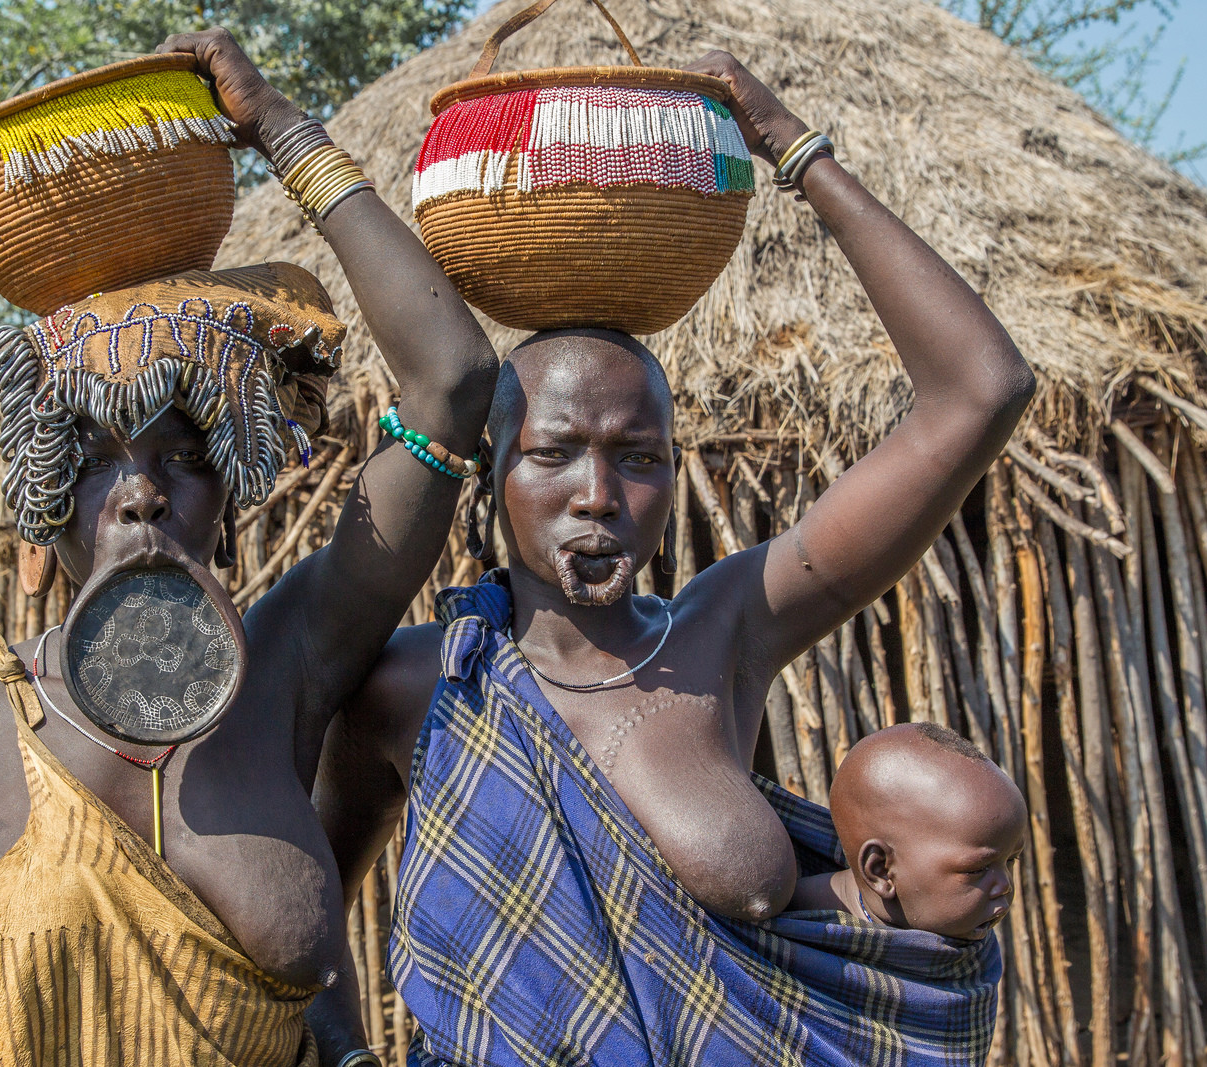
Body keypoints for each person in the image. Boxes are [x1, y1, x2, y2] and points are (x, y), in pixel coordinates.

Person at [312, 50, 1034, 1065]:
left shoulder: (727, 628)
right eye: (553, 452)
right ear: (493, 468)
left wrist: (791, 145)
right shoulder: (412, 683)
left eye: (638, 457)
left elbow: (981, 390)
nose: (598, 494)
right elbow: (311, 901)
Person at [0, 28, 495, 1067]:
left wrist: (280, 129)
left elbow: (455, 380)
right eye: (94, 457)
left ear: (235, 486)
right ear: (39, 497)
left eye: (185, 453)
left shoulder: (290, 667)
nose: (142, 492)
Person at [789, 722, 1028, 941]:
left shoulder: (964, 935)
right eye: (977, 869)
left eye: (1010, 860)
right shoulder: (793, 930)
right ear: (881, 870)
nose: (1005, 885)